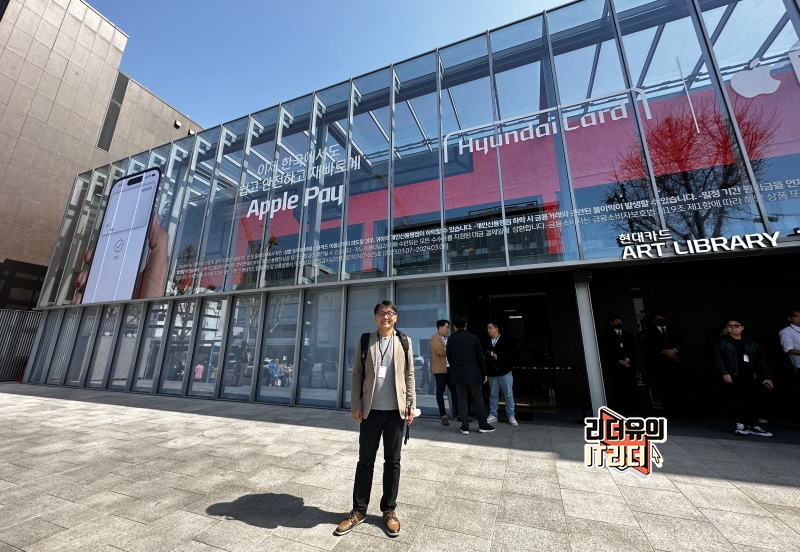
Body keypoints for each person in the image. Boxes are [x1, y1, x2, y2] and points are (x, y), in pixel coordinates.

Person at [335, 301, 415, 539]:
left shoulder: (404, 341)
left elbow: (409, 374)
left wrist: (411, 404)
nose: (385, 317)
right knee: (365, 461)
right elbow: (357, 375)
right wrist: (356, 405)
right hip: (370, 411)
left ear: (396, 317)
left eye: (390, 313)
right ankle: (359, 510)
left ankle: (389, 510)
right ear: (375, 317)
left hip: (395, 412)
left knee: (393, 461)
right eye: (381, 313)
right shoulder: (365, 341)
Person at [714, 318, 773, 437]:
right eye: (730, 326)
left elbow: (762, 360)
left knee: (752, 400)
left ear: (742, 327)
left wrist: (768, 377)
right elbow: (717, 358)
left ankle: (753, 425)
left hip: (750, 375)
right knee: (736, 399)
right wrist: (725, 373)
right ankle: (740, 424)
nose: (733, 328)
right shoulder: (722, 341)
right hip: (733, 375)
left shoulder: (751, 343)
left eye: (736, 325)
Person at [446, 315, 494, 435]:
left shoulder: (451, 339)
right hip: (473, 371)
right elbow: (480, 357)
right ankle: (483, 425)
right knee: (478, 399)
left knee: (461, 399)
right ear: (466, 325)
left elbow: (449, 357)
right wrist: (484, 373)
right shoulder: (473, 338)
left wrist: (455, 368)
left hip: (458, 372)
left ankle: (464, 427)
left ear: (454, 327)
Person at [643, 313, 693, 417]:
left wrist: (674, 350)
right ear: (654, 321)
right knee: (665, 388)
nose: (661, 320)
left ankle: (686, 411)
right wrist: (664, 352)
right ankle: (669, 411)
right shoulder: (649, 333)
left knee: (681, 386)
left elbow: (681, 343)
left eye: (663, 318)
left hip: (676, 362)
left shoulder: (674, 331)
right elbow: (648, 347)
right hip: (661, 364)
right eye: (658, 318)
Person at [599, 315, 639, 416]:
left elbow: (634, 349)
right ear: (612, 323)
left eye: (620, 322)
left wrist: (627, 360)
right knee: (619, 390)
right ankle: (622, 410)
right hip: (616, 367)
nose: (619, 323)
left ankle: (636, 409)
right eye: (616, 322)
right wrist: (620, 361)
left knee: (633, 388)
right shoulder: (607, 336)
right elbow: (607, 350)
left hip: (629, 366)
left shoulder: (628, 335)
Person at [485, 321, 517, 427]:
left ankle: (511, 415)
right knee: (493, 394)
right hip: (492, 372)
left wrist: (499, 356)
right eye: (487, 328)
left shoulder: (505, 340)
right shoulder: (487, 341)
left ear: (496, 329)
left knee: (508, 394)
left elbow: (511, 354)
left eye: (490, 328)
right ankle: (493, 414)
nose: (488, 330)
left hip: (505, 371)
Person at [430, 319, 459, 426]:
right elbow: (441, 351)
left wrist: (447, 348)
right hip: (440, 370)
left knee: (454, 391)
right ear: (440, 327)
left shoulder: (447, 338)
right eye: (446, 327)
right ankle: (443, 416)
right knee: (440, 392)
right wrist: (449, 348)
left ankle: (459, 414)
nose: (447, 329)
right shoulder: (435, 337)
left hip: (450, 368)